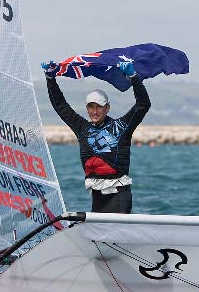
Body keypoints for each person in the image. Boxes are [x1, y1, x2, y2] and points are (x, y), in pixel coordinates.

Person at [41, 60, 151, 213]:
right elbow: (61, 106)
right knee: (100, 237)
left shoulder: (121, 127)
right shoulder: (82, 128)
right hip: (97, 196)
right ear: (87, 108)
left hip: (119, 194)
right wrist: (50, 79)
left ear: (107, 108)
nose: (95, 111)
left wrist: (134, 77)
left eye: (99, 106)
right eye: (91, 106)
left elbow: (143, 105)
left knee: (114, 235)